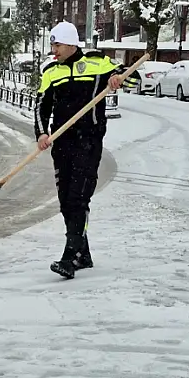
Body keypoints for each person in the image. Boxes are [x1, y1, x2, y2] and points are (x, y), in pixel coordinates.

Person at [35, 21, 125, 279]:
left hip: (89, 141)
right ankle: (83, 254)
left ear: (72, 44)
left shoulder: (97, 64)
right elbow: (41, 105)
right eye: (53, 44)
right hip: (62, 143)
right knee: (66, 201)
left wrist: (117, 78)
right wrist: (42, 133)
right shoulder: (51, 72)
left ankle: (70, 256)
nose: (54, 49)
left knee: (78, 198)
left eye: (58, 44)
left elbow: (132, 75)